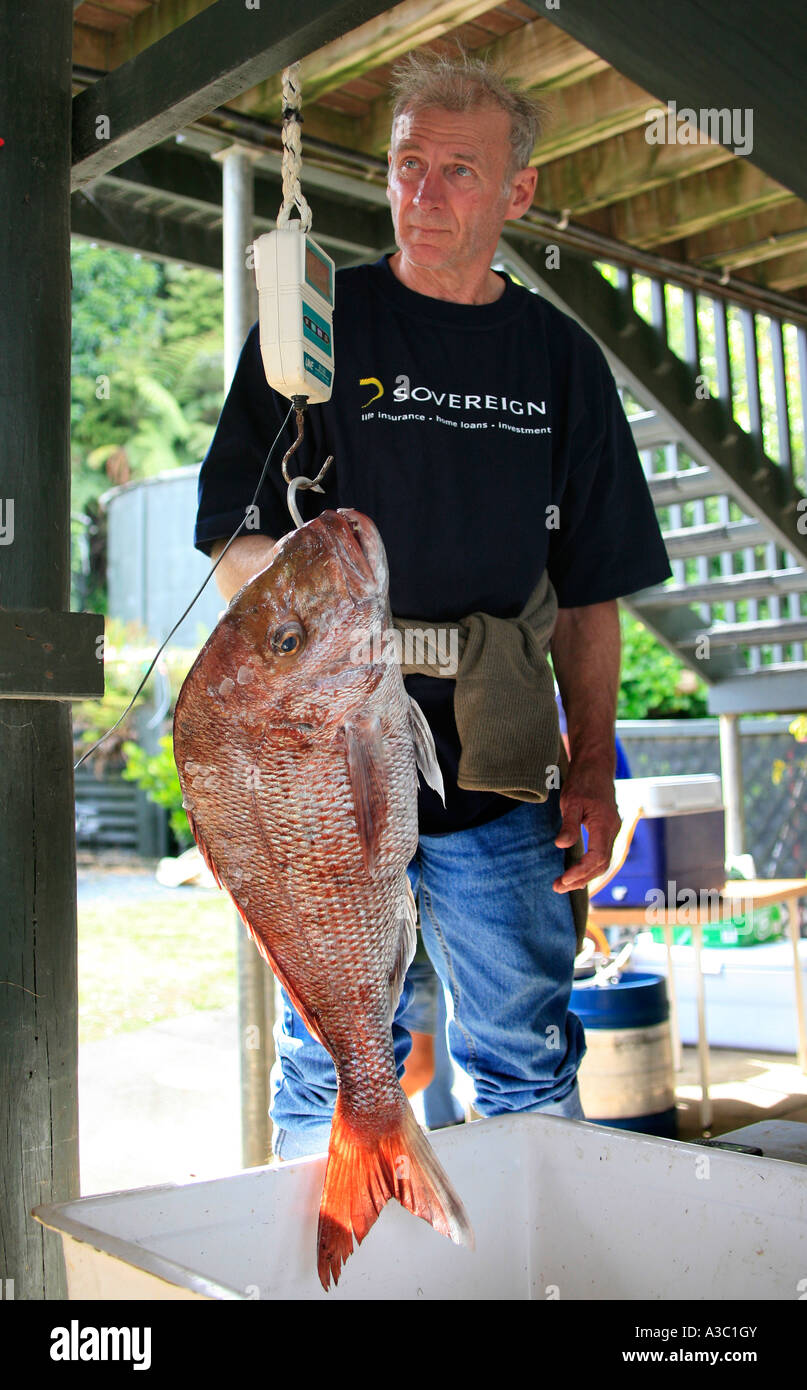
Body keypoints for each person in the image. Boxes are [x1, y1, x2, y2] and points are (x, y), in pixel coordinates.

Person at [194, 49, 672, 1159]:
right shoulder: (312, 328)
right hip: (326, 762)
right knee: (332, 1047)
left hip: (498, 759)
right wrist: (314, 626)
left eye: (460, 171)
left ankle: (523, 1265)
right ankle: (317, 1263)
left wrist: (592, 761)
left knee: (523, 1048)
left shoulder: (560, 360)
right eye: (410, 165)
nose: (423, 193)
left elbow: (592, 588)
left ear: (518, 194)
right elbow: (235, 534)